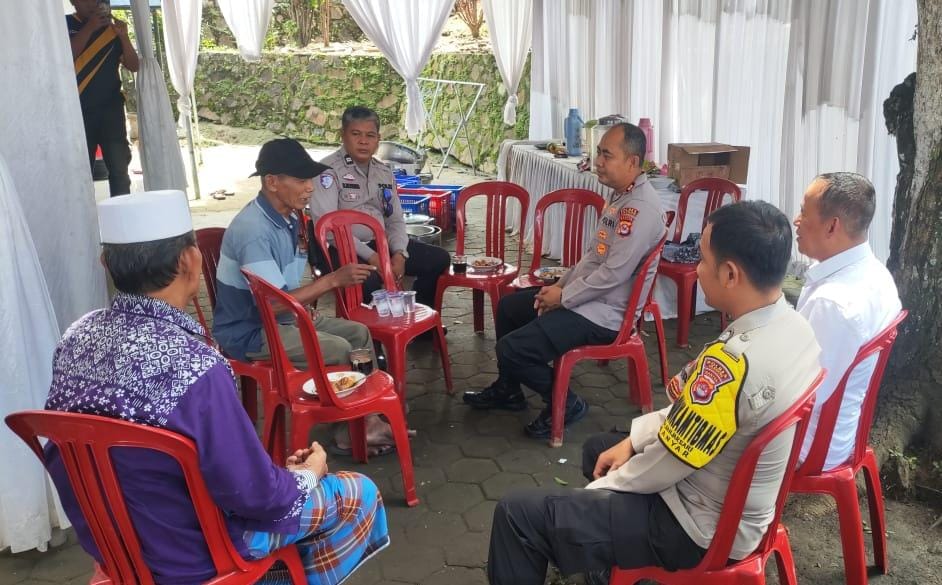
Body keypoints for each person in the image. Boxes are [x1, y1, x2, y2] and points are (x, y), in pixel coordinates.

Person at [44, 191, 388, 585]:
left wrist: (278, 479)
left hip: (111, 544)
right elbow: (256, 497)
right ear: (188, 261)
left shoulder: (75, 338)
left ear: (106, 263)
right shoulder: (196, 365)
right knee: (357, 494)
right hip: (196, 550)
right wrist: (307, 475)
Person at [486, 201, 822, 585]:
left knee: (518, 514)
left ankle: (605, 551)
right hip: (737, 503)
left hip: (695, 527)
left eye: (703, 260)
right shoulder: (796, 327)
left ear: (730, 274)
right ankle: (608, 568)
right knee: (600, 448)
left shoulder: (732, 364)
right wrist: (633, 440)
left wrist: (598, 492)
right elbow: (693, 418)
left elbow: (667, 462)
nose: (697, 269)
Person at [462, 123, 665, 438]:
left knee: (511, 349)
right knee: (509, 308)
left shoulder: (639, 209)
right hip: (590, 299)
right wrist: (559, 286)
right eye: (598, 153)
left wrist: (564, 298)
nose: (598, 162)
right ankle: (509, 389)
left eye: (607, 155)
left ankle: (567, 403)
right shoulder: (622, 196)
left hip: (605, 316)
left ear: (633, 162)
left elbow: (613, 274)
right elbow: (593, 256)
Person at [213, 138, 376, 368]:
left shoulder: (290, 217)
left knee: (359, 334)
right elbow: (272, 305)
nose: (310, 187)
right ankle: (337, 392)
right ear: (272, 182)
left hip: (284, 317)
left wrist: (302, 307)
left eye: (310, 179)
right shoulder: (253, 231)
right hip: (250, 331)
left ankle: (369, 391)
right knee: (338, 349)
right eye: (301, 180)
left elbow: (281, 290)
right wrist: (333, 280)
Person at [793, 172, 901, 470]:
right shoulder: (876, 273)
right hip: (841, 428)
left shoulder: (833, 303)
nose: (796, 221)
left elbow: (801, 395)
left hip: (811, 442)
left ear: (832, 226)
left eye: (803, 212)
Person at [308, 106, 451, 309]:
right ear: (343, 135)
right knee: (369, 280)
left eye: (370, 135)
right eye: (356, 134)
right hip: (340, 248)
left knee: (437, 259)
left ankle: (415, 316)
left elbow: (395, 219)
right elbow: (329, 230)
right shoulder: (326, 171)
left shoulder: (384, 173)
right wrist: (374, 257)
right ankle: (365, 328)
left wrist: (400, 253)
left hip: (380, 244)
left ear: (378, 139)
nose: (363, 141)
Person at [67, 0, 139, 196]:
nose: (92, 3)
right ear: (73, 1)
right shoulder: (64, 24)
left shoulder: (111, 29)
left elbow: (134, 65)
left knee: (119, 171)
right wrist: (90, 27)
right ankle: (85, 215)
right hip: (78, 112)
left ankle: (122, 213)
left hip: (111, 111)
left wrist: (124, 37)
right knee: (81, 174)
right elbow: (66, 55)